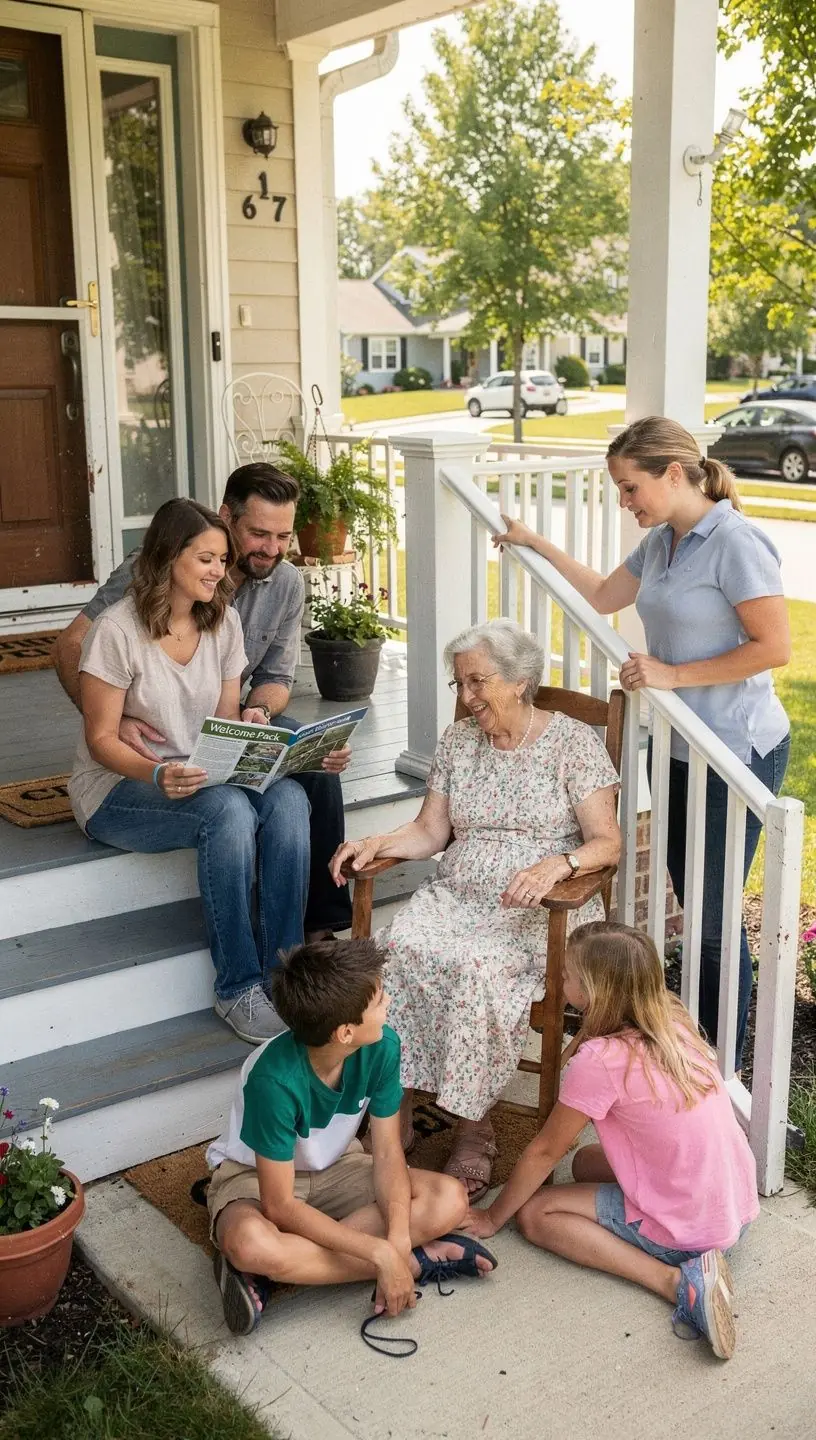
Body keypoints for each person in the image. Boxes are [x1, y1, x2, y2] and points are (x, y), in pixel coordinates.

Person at [493, 417, 790, 1068]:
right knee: (697, 906)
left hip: (735, 752)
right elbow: (603, 595)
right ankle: (696, 1056)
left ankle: (719, 1071)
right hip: (680, 746)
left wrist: (671, 675)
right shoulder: (664, 543)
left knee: (713, 922)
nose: (626, 504)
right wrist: (530, 539)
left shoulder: (735, 542)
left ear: (674, 474)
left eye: (631, 489)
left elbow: (776, 647)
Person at [330, 619, 620, 1200]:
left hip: (539, 909)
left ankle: (474, 1125)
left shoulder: (571, 744)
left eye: (478, 683)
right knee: (395, 950)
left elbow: (608, 843)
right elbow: (430, 831)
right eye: (460, 684)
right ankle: (396, 1104)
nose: (467, 698)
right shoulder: (459, 741)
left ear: (520, 681)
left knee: (477, 969)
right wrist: (376, 844)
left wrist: (557, 866)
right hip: (458, 897)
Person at [55, 462, 352, 945]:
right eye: (259, 534)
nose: (272, 549)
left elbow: (276, 679)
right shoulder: (147, 573)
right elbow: (71, 646)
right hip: (160, 734)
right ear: (227, 517)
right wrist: (114, 717)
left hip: (222, 722)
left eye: (283, 536)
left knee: (313, 769)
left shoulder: (284, 585)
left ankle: (315, 926)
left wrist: (259, 714)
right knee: (231, 809)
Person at [68, 498, 311, 1044]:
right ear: (168, 556)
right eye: (205, 558)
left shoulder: (222, 624)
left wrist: (251, 727)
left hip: (197, 775)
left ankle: (289, 973)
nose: (219, 572)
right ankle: (237, 987)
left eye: (223, 560)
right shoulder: (117, 630)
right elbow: (101, 738)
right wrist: (157, 775)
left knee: (290, 798)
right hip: (121, 786)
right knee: (226, 812)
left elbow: (222, 723)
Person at [467, 921, 759, 1361]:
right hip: (733, 1202)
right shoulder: (674, 1021)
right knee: (586, 1162)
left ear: (592, 991)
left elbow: (547, 1150)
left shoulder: (601, 1060)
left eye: (567, 976)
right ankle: (682, 1242)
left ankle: (680, 1283)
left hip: (690, 1230)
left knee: (535, 1215)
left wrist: (492, 1217)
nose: (559, 980)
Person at [205, 937, 498, 1336]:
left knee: (448, 1199)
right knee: (249, 1244)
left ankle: (277, 1273)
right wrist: (379, 1252)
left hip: (339, 1166)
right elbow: (280, 1206)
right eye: (378, 1001)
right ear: (345, 1032)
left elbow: (389, 1153)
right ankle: (417, 1262)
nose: (389, 1004)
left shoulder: (382, 1045)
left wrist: (395, 1241)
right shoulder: (272, 1079)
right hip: (254, 1177)